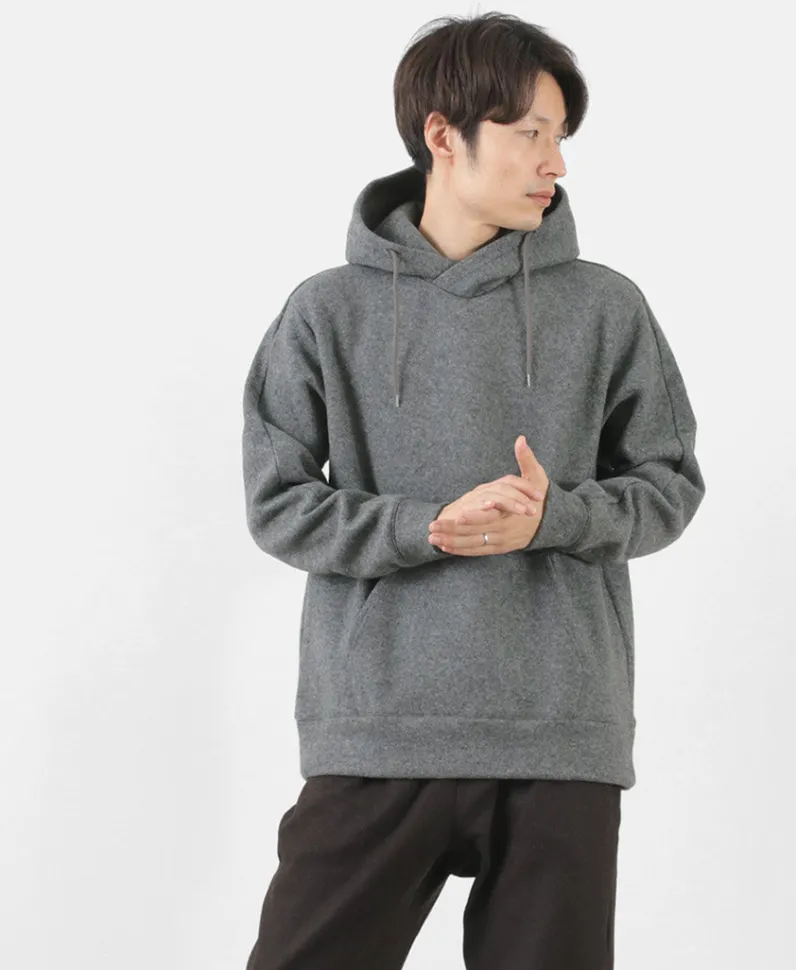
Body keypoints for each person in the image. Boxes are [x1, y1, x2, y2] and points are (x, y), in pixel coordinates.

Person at [240, 11, 705, 969]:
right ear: (443, 134)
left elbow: (669, 485)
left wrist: (556, 517)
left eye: (560, 138)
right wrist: (425, 528)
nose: (555, 164)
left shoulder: (606, 307)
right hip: (378, 729)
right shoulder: (326, 311)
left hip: (558, 732)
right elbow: (278, 504)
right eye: (531, 133)